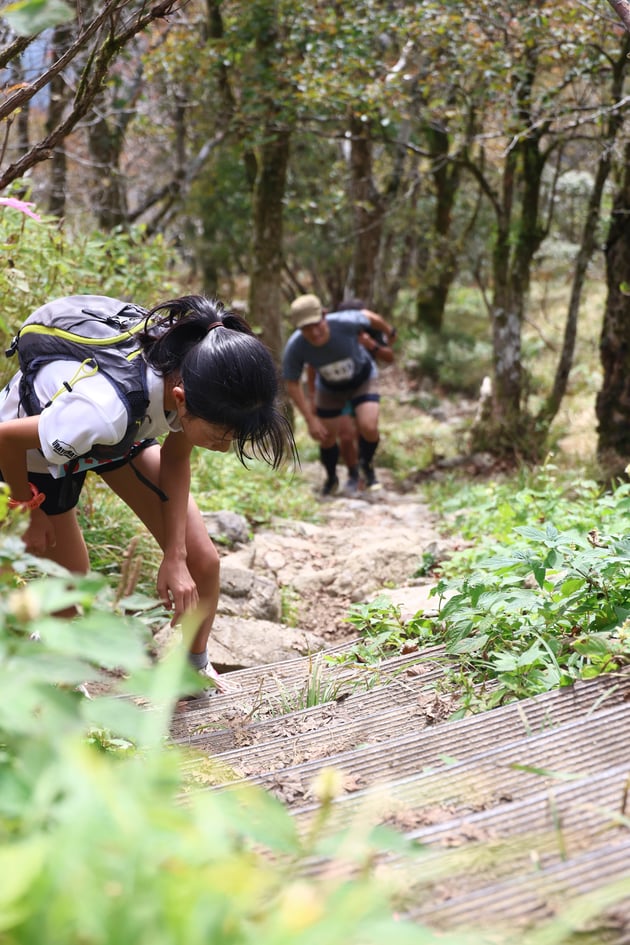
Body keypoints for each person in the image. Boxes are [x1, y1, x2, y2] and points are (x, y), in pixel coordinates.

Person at [0, 294, 295, 698]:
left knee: (200, 559)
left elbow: (175, 462)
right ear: (180, 400)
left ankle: (192, 671)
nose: (225, 448)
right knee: (69, 589)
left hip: (119, 438)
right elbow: (5, 441)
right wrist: (27, 510)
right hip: (33, 454)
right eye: (222, 435)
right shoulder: (102, 410)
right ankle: (45, 676)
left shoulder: (190, 370)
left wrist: (174, 556)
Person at [282, 293, 395, 496]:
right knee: (327, 436)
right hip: (330, 388)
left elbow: (369, 316)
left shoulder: (344, 322)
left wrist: (389, 331)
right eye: (306, 328)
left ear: (325, 316)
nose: (314, 332)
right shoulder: (296, 346)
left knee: (368, 426)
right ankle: (331, 477)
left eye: (317, 324)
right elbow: (292, 384)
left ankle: (366, 466)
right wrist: (310, 419)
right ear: (299, 329)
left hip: (362, 378)